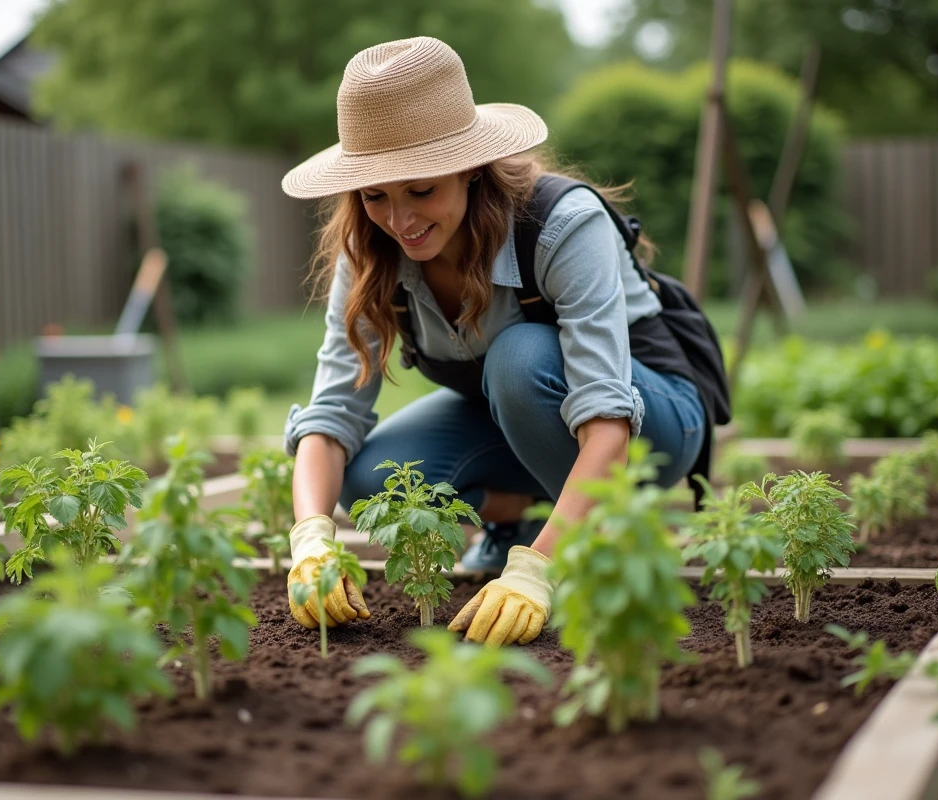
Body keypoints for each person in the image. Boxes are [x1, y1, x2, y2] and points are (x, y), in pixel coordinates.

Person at [278, 36, 710, 647]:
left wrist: (539, 573)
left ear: (471, 167)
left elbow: (608, 415)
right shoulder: (373, 249)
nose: (400, 221)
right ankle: (526, 516)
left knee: (519, 357)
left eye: (421, 190)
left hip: (651, 420)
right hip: (522, 420)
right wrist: (311, 540)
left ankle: (584, 547)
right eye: (376, 195)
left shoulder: (561, 224)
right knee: (371, 476)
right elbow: (333, 412)